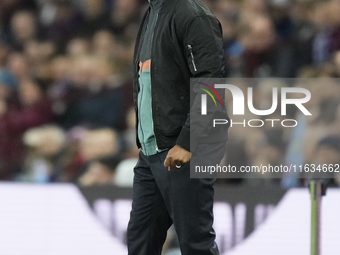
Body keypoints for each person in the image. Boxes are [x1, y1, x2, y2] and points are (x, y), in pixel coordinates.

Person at [127, 0, 228, 255]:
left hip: (183, 151)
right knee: (140, 243)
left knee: (196, 244)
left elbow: (211, 84)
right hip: (151, 154)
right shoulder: (153, 10)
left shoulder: (192, 15)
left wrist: (188, 141)